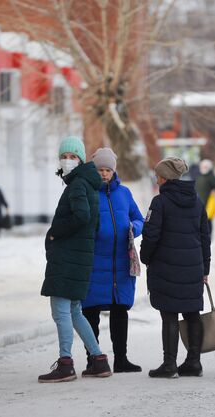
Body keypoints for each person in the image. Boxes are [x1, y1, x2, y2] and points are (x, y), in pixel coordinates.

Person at [38, 136, 112, 383]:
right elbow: (95, 222)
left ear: (81, 160)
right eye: (64, 156)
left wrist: (55, 232)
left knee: (61, 312)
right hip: (79, 256)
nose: (67, 161)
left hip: (68, 257)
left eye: (73, 157)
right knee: (74, 311)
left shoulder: (78, 185)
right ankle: (99, 360)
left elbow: (82, 217)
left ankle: (66, 363)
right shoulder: (89, 185)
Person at [140, 157, 211, 378]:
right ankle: (194, 362)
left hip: (166, 266)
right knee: (192, 314)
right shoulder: (197, 201)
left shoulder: (159, 203)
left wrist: (145, 257)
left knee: (169, 314)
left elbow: (151, 235)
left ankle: (169, 364)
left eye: (157, 175)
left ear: (163, 178)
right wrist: (205, 268)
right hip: (193, 267)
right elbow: (204, 237)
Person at [81, 148, 145, 373]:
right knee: (91, 313)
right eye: (100, 170)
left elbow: (139, 219)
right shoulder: (87, 192)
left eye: (108, 170)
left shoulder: (124, 193)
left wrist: (133, 228)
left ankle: (121, 359)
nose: (104, 174)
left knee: (120, 311)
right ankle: (93, 359)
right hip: (95, 262)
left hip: (121, 263)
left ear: (114, 171)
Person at [195, 159, 215, 237]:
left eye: (205, 167)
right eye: (202, 167)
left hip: (208, 201)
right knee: (200, 219)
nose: (204, 168)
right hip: (199, 201)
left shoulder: (211, 176)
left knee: (208, 219)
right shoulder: (198, 175)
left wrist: (214, 190)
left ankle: (209, 235)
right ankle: (201, 234)